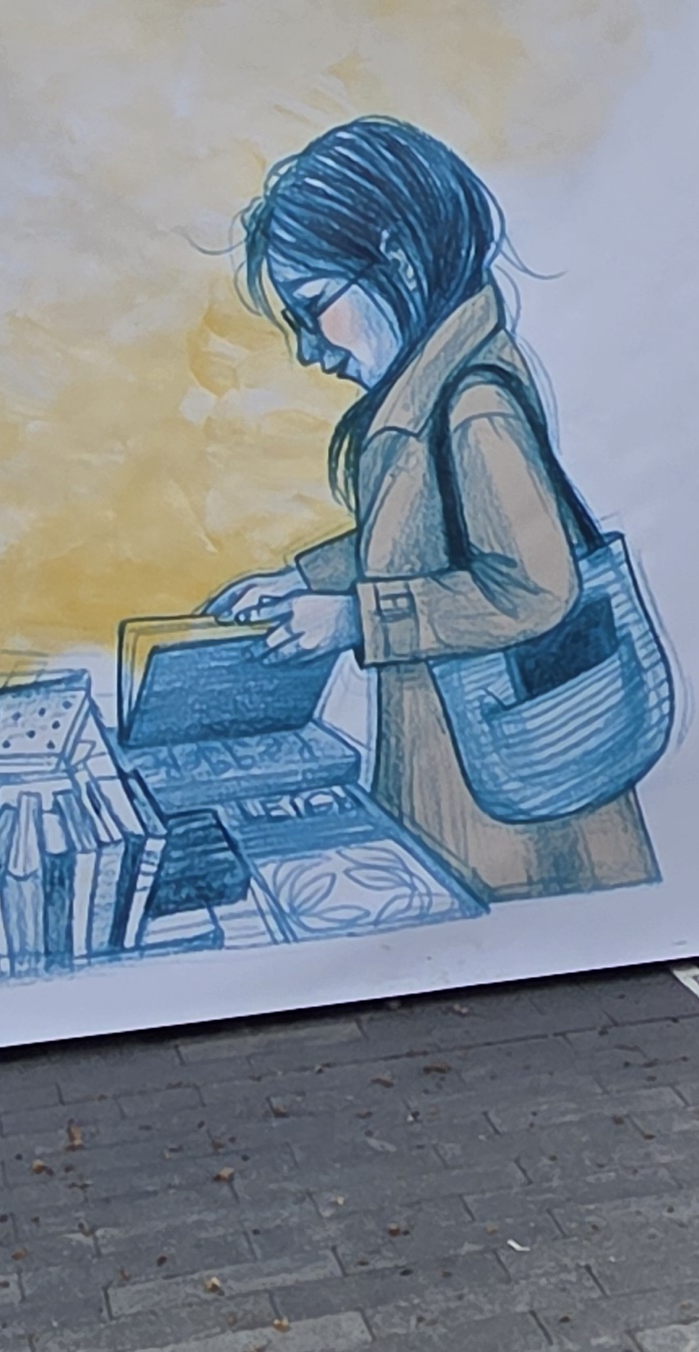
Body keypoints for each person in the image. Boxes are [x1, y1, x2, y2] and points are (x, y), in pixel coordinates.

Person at [207, 117, 662, 902]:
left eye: (314, 308)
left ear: (398, 260)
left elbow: (535, 588)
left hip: (507, 802)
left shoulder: (472, 405)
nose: (309, 350)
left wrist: (353, 619)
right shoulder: (432, 390)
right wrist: (306, 578)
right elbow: (424, 536)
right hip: (477, 771)